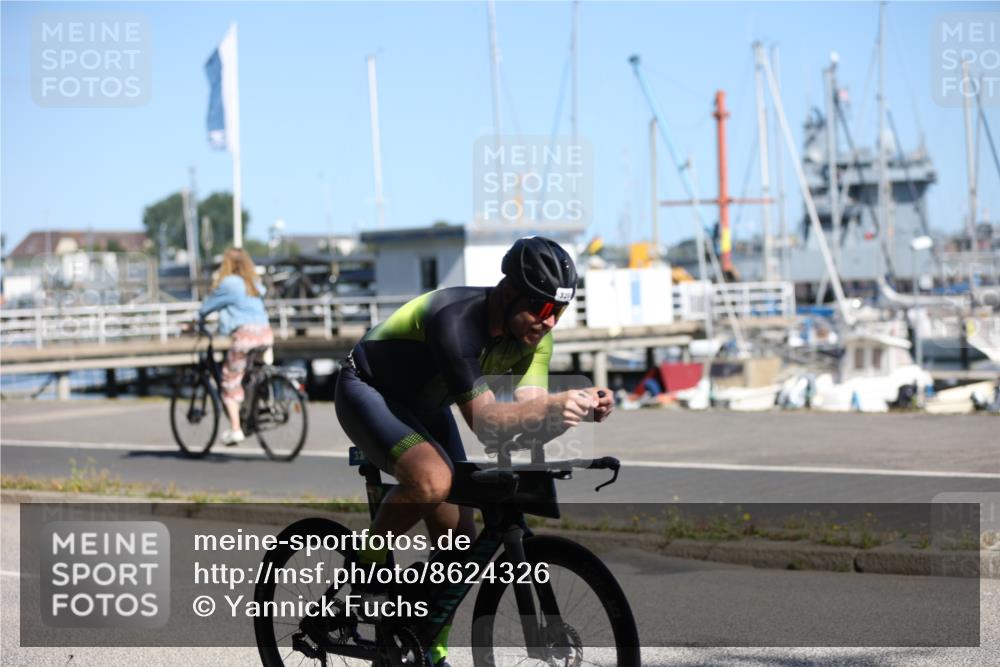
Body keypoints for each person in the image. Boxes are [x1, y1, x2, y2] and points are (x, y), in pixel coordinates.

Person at [335, 236, 613, 666]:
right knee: (432, 481)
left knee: (459, 542)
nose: (550, 322)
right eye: (542, 309)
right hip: (368, 389)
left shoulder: (536, 339)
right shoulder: (456, 320)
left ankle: (430, 649)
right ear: (508, 293)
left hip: (426, 405)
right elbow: (486, 425)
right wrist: (554, 407)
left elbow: (526, 416)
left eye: (559, 311)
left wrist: (573, 411)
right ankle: (366, 570)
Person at [198, 247, 274, 445]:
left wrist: (194, 321)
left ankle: (236, 428)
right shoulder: (253, 282)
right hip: (265, 334)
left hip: (246, 336)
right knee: (250, 374)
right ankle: (255, 406)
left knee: (230, 381)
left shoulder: (230, 283)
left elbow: (207, 306)